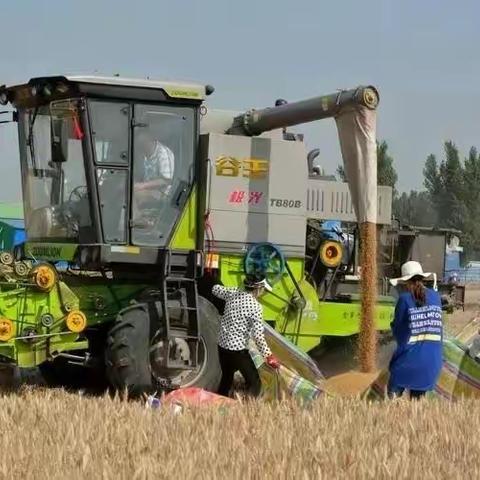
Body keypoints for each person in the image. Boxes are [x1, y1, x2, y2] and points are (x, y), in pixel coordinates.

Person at [212, 275, 280, 398]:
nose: (263, 292)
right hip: (237, 351)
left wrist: (214, 279)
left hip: (222, 347)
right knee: (255, 384)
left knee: (226, 378)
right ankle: (248, 410)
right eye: (263, 289)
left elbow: (215, 289)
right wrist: (269, 356)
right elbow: (258, 336)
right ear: (258, 288)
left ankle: (219, 405)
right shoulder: (255, 307)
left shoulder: (232, 292)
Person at [388, 261, 443, 399]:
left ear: (405, 282)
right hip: (433, 363)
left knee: (392, 400)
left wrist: (392, 327)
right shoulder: (436, 297)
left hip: (409, 363)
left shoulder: (404, 299)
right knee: (417, 405)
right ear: (422, 278)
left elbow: (399, 333)